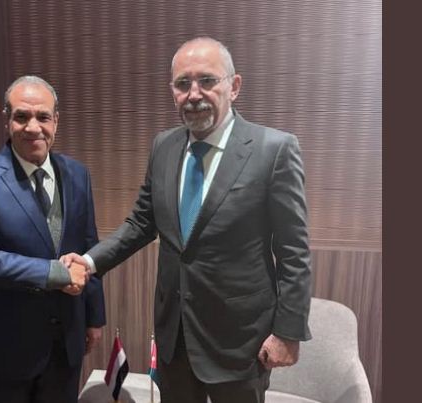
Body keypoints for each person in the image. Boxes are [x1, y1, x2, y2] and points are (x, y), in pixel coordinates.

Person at [63, 37, 312, 403]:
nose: (194, 94)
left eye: (207, 80)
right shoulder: (163, 146)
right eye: (183, 84)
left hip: (241, 340)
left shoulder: (273, 150)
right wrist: (88, 262)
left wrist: (288, 333)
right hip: (175, 334)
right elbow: (141, 223)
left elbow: (294, 251)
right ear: (173, 92)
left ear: (234, 86)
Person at [0, 75, 105, 403]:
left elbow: (88, 247)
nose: (33, 127)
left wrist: (94, 317)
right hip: (3, 349)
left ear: (56, 121)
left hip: (65, 343)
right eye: (22, 116)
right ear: (7, 120)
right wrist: (55, 273)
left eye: (43, 117)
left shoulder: (78, 174)